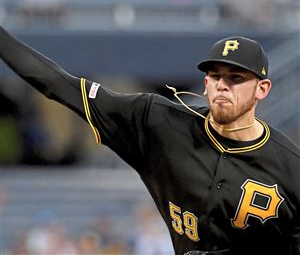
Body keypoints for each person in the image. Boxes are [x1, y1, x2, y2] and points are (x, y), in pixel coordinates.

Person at [0, 26, 299, 255]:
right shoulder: (157, 122)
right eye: (215, 76)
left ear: (262, 89)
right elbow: (58, 84)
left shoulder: (290, 169)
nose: (223, 86)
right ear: (206, 84)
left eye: (236, 78)